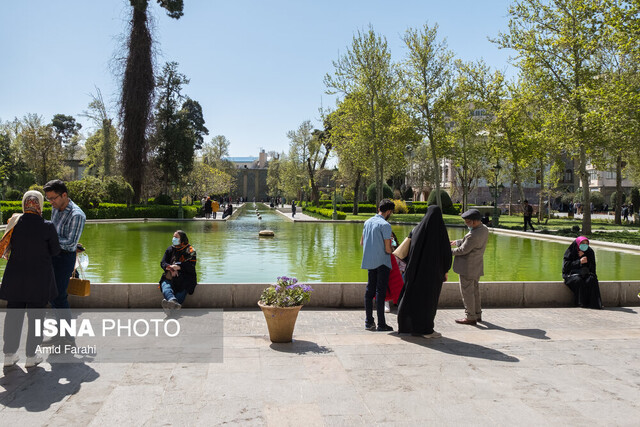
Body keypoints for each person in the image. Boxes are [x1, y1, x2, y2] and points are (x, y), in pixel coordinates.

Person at [1, 191, 60, 368]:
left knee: (13, 317)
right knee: (36, 318)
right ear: (40, 204)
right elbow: (55, 251)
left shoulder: (14, 223)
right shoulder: (47, 226)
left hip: (15, 278)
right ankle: (30, 356)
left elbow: (8, 247)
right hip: (39, 279)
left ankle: (9, 356)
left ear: (24, 204)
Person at [397, 205, 452, 337]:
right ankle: (426, 329)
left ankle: (413, 327)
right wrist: (445, 270)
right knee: (428, 302)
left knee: (415, 299)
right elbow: (446, 254)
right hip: (433, 275)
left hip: (415, 272)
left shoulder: (417, 229)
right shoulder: (440, 232)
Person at [43, 179, 86, 344]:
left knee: (59, 297)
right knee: (53, 297)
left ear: (64, 195)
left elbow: (69, 243)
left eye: (53, 198)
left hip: (64, 258)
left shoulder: (77, 214)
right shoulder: (56, 208)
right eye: (49, 199)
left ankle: (67, 338)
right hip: (52, 256)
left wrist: (46, 241)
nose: (51, 202)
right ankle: (59, 335)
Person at [360, 199, 395, 332]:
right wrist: (394, 249)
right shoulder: (385, 225)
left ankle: (369, 322)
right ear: (389, 211)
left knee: (369, 291)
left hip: (369, 261)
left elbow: (362, 242)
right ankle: (381, 323)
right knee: (380, 292)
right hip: (382, 262)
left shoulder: (367, 222)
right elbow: (387, 249)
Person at [450, 208, 489, 325]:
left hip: (467, 268)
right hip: (476, 266)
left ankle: (470, 317)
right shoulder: (484, 229)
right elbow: (469, 243)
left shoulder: (473, 235)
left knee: (467, 293)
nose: (466, 224)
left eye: (467, 222)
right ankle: (477, 314)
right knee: (475, 291)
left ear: (475, 221)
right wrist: (457, 241)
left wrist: (447, 251)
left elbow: (463, 250)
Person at [160, 230, 197, 312]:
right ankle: (172, 300)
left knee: (183, 289)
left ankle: (171, 309)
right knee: (165, 285)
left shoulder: (190, 251)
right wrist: (171, 268)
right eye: (173, 236)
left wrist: (179, 267)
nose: (173, 239)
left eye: (176, 237)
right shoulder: (170, 249)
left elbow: (191, 266)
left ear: (182, 239)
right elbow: (163, 262)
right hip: (171, 276)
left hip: (186, 278)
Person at [562, 236, 602, 309]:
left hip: (585, 273)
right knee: (578, 280)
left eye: (586, 243)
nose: (585, 245)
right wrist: (579, 261)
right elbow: (566, 266)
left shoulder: (589, 251)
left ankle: (595, 304)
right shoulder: (571, 251)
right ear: (578, 243)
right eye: (582, 243)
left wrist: (585, 257)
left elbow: (592, 267)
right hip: (571, 274)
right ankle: (581, 303)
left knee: (592, 280)